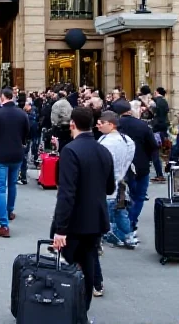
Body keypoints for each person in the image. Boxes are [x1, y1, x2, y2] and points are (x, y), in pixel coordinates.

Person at [52, 107, 115, 320]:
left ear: (72, 124)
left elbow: (66, 193)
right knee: (88, 268)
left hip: (74, 221)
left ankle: (64, 310)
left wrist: (60, 229)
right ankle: (82, 313)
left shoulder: (70, 151)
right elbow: (110, 188)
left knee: (66, 269)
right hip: (95, 219)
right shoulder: (103, 150)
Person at [0, 87, 29, 238]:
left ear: (2, 97)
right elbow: (27, 133)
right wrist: (20, 142)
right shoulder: (22, 114)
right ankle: (10, 211)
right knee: (12, 184)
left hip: (1, 154)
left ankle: (4, 224)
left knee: (1, 188)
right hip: (17, 153)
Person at [114, 99, 157, 241]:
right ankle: (131, 223)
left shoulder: (115, 126)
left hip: (121, 167)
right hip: (141, 166)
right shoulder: (142, 125)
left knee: (121, 197)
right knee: (138, 197)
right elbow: (153, 146)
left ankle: (123, 226)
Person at [97, 111, 136, 249]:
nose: (98, 126)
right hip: (121, 180)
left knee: (107, 210)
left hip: (107, 183)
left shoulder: (105, 142)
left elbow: (102, 164)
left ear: (111, 124)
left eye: (101, 123)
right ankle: (128, 236)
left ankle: (108, 234)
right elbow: (130, 158)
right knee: (120, 209)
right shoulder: (127, 140)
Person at [150, 87, 170, 182]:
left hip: (157, 129)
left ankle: (160, 174)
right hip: (163, 128)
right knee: (161, 152)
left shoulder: (156, 101)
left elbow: (155, 113)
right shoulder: (164, 101)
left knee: (155, 153)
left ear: (156, 92)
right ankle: (161, 173)